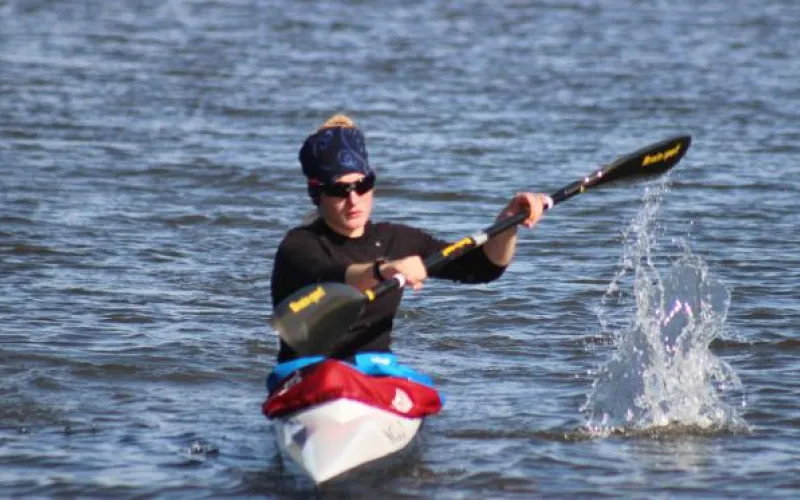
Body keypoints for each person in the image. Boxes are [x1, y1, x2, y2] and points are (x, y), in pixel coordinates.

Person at [271, 114, 550, 362]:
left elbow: (483, 268)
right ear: (317, 194)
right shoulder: (298, 247)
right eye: (339, 190)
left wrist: (507, 223)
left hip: (374, 374)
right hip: (305, 375)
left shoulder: (399, 241)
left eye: (362, 185)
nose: (353, 199)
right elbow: (331, 276)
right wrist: (384, 270)